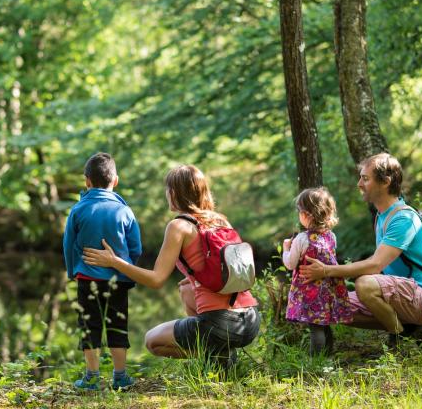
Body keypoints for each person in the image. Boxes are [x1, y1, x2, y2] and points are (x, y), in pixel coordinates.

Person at [83, 164, 259, 369]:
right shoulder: (220, 221)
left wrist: (114, 261)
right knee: (185, 287)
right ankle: (220, 361)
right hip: (250, 320)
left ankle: (215, 357)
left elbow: (156, 280)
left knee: (152, 340)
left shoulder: (178, 226)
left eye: (168, 189)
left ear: (173, 193)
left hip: (221, 324)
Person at [300, 153, 422, 344]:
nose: (359, 184)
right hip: (400, 294)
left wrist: (326, 271)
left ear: (385, 182)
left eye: (365, 179)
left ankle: (400, 338)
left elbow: (375, 265)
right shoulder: (381, 216)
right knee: (332, 304)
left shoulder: (403, 219)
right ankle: (409, 326)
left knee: (365, 284)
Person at [63, 152, 142, 391]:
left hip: (87, 278)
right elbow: (136, 247)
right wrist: (127, 267)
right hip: (119, 278)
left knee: (90, 326)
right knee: (118, 325)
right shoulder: (124, 211)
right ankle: (120, 377)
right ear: (115, 181)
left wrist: (71, 271)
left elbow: (68, 244)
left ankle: (92, 377)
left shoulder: (78, 210)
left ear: (87, 181)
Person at [282, 187, 354, 355]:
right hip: (328, 289)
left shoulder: (302, 239)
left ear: (307, 215)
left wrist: (286, 248)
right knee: (324, 323)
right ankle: (327, 357)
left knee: (315, 327)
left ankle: (316, 361)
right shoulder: (331, 236)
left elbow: (291, 264)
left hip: (310, 290)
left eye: (299, 211)